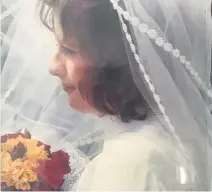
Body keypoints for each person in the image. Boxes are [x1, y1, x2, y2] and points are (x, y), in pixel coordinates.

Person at [1, 0, 212, 190]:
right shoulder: (175, 137)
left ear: (121, 63)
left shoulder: (128, 164)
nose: (53, 67)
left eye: (69, 50)